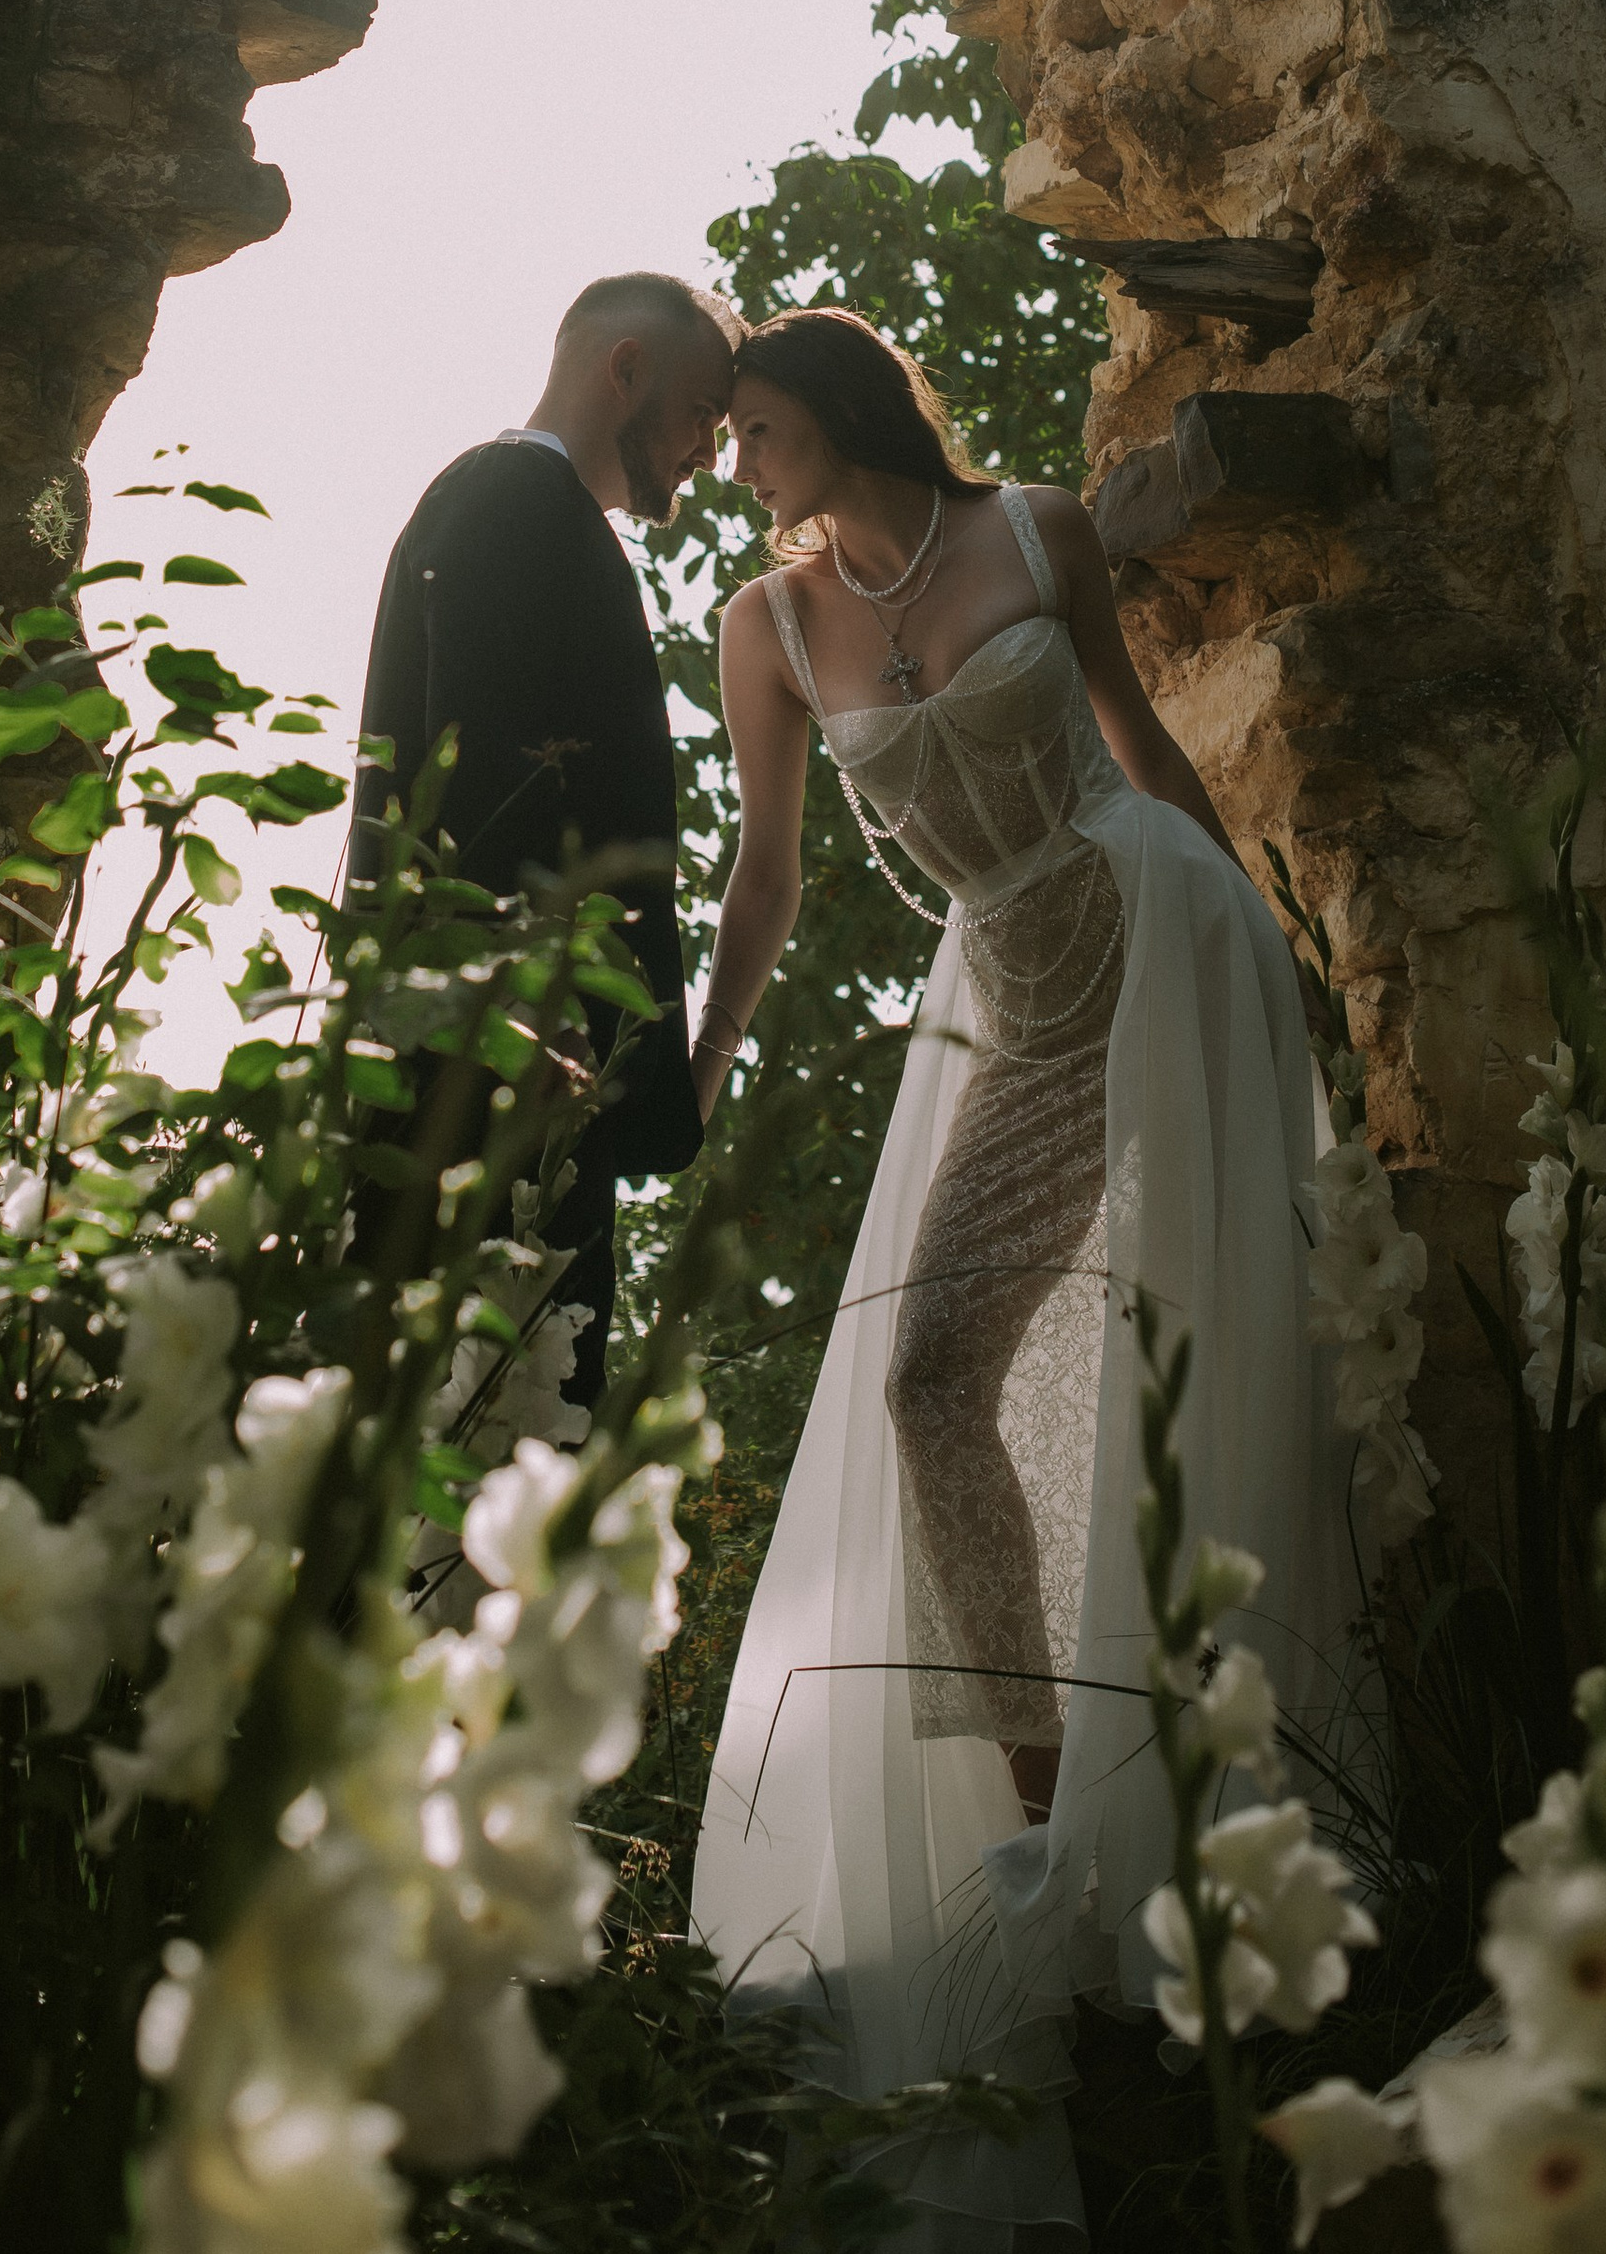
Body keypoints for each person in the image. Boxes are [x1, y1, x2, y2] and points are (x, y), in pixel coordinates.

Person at [688, 308, 1356, 2253]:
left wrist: (1280, 955)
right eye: (722, 440)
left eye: (751, 431)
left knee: (1186, 1324)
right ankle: (1047, 1794)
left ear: (825, 414)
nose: (736, 467)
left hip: (1154, 940)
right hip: (1008, 999)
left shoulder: (1034, 532)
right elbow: (768, 874)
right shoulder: (766, 627)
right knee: (929, 1383)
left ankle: (1224, 1772)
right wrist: (699, 1056)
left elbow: (1143, 753)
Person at [352, 271, 736, 1397]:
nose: (707, 455)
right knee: (505, 1413)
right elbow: (487, 793)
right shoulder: (520, 508)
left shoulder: (506, 506)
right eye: (703, 416)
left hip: (495, 1064)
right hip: (500, 1077)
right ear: (626, 370)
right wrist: (524, 1033)